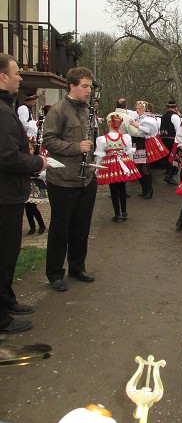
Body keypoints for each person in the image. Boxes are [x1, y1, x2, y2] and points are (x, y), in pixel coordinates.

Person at [0, 53, 48, 333]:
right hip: (4, 195)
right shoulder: (3, 111)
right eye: (16, 73)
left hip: (9, 193)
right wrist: (36, 162)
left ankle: (7, 300)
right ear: (2, 76)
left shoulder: (7, 107)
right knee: (5, 254)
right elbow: (6, 157)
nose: (20, 77)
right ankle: (2, 317)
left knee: (10, 251)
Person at [42, 67, 97, 292]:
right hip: (63, 180)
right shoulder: (58, 110)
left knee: (81, 227)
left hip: (86, 178)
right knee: (60, 229)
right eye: (84, 86)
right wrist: (76, 147)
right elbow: (48, 140)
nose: (88, 90)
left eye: (90, 87)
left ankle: (77, 267)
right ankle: (55, 273)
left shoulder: (87, 110)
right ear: (72, 86)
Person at [95, 113, 141, 222]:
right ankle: (124, 212)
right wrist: (130, 164)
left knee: (113, 190)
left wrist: (97, 168)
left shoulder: (103, 139)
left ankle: (117, 214)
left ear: (109, 124)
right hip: (123, 163)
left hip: (111, 164)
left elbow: (100, 155)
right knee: (122, 188)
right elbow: (129, 152)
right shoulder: (125, 137)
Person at [128, 100, 168, 199]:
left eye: (139, 108)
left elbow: (148, 130)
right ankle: (145, 190)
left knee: (144, 168)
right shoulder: (137, 117)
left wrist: (136, 125)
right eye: (136, 108)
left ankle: (149, 191)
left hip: (143, 144)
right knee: (138, 167)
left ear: (144, 108)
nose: (137, 110)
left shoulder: (147, 118)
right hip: (137, 144)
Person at [24, 139, 47, 235]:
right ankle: (32, 227)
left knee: (32, 207)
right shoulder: (24, 160)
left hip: (34, 186)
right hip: (25, 185)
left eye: (30, 149)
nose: (28, 151)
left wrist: (36, 173)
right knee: (27, 208)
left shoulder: (37, 159)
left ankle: (41, 225)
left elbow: (44, 172)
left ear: (34, 149)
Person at [160, 99, 182, 185]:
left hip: (164, 139)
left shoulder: (164, 116)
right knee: (173, 158)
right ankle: (169, 176)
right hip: (173, 140)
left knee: (168, 158)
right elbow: (178, 129)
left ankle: (168, 173)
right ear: (175, 107)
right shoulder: (175, 116)